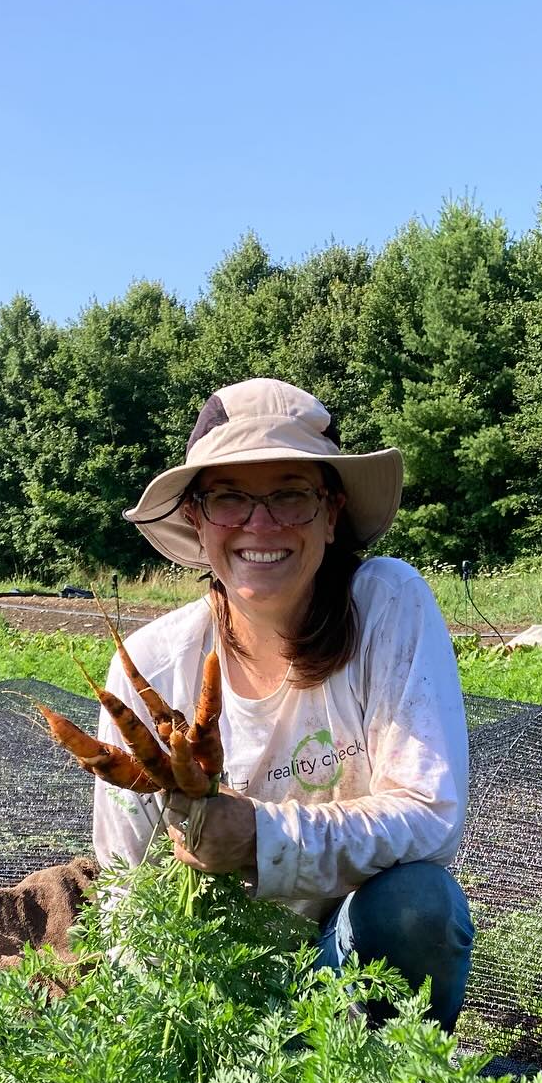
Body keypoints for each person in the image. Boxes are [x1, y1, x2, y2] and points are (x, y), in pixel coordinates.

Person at [94, 377, 472, 1031]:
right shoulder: (153, 663)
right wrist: (154, 1041)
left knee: (419, 905)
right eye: (229, 498)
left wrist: (260, 836)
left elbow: (430, 815)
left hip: (348, 960)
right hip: (219, 981)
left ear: (331, 513)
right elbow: (125, 881)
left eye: (291, 495)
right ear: (196, 519)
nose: (260, 525)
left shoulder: (386, 605)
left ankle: (386, 1081)